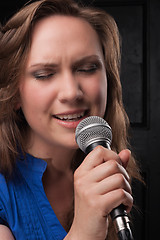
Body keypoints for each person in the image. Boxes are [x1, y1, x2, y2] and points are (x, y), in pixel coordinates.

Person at [0, 0, 141, 239]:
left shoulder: (113, 172)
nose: (71, 92)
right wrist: (84, 231)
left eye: (87, 69)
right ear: (14, 93)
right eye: (45, 74)